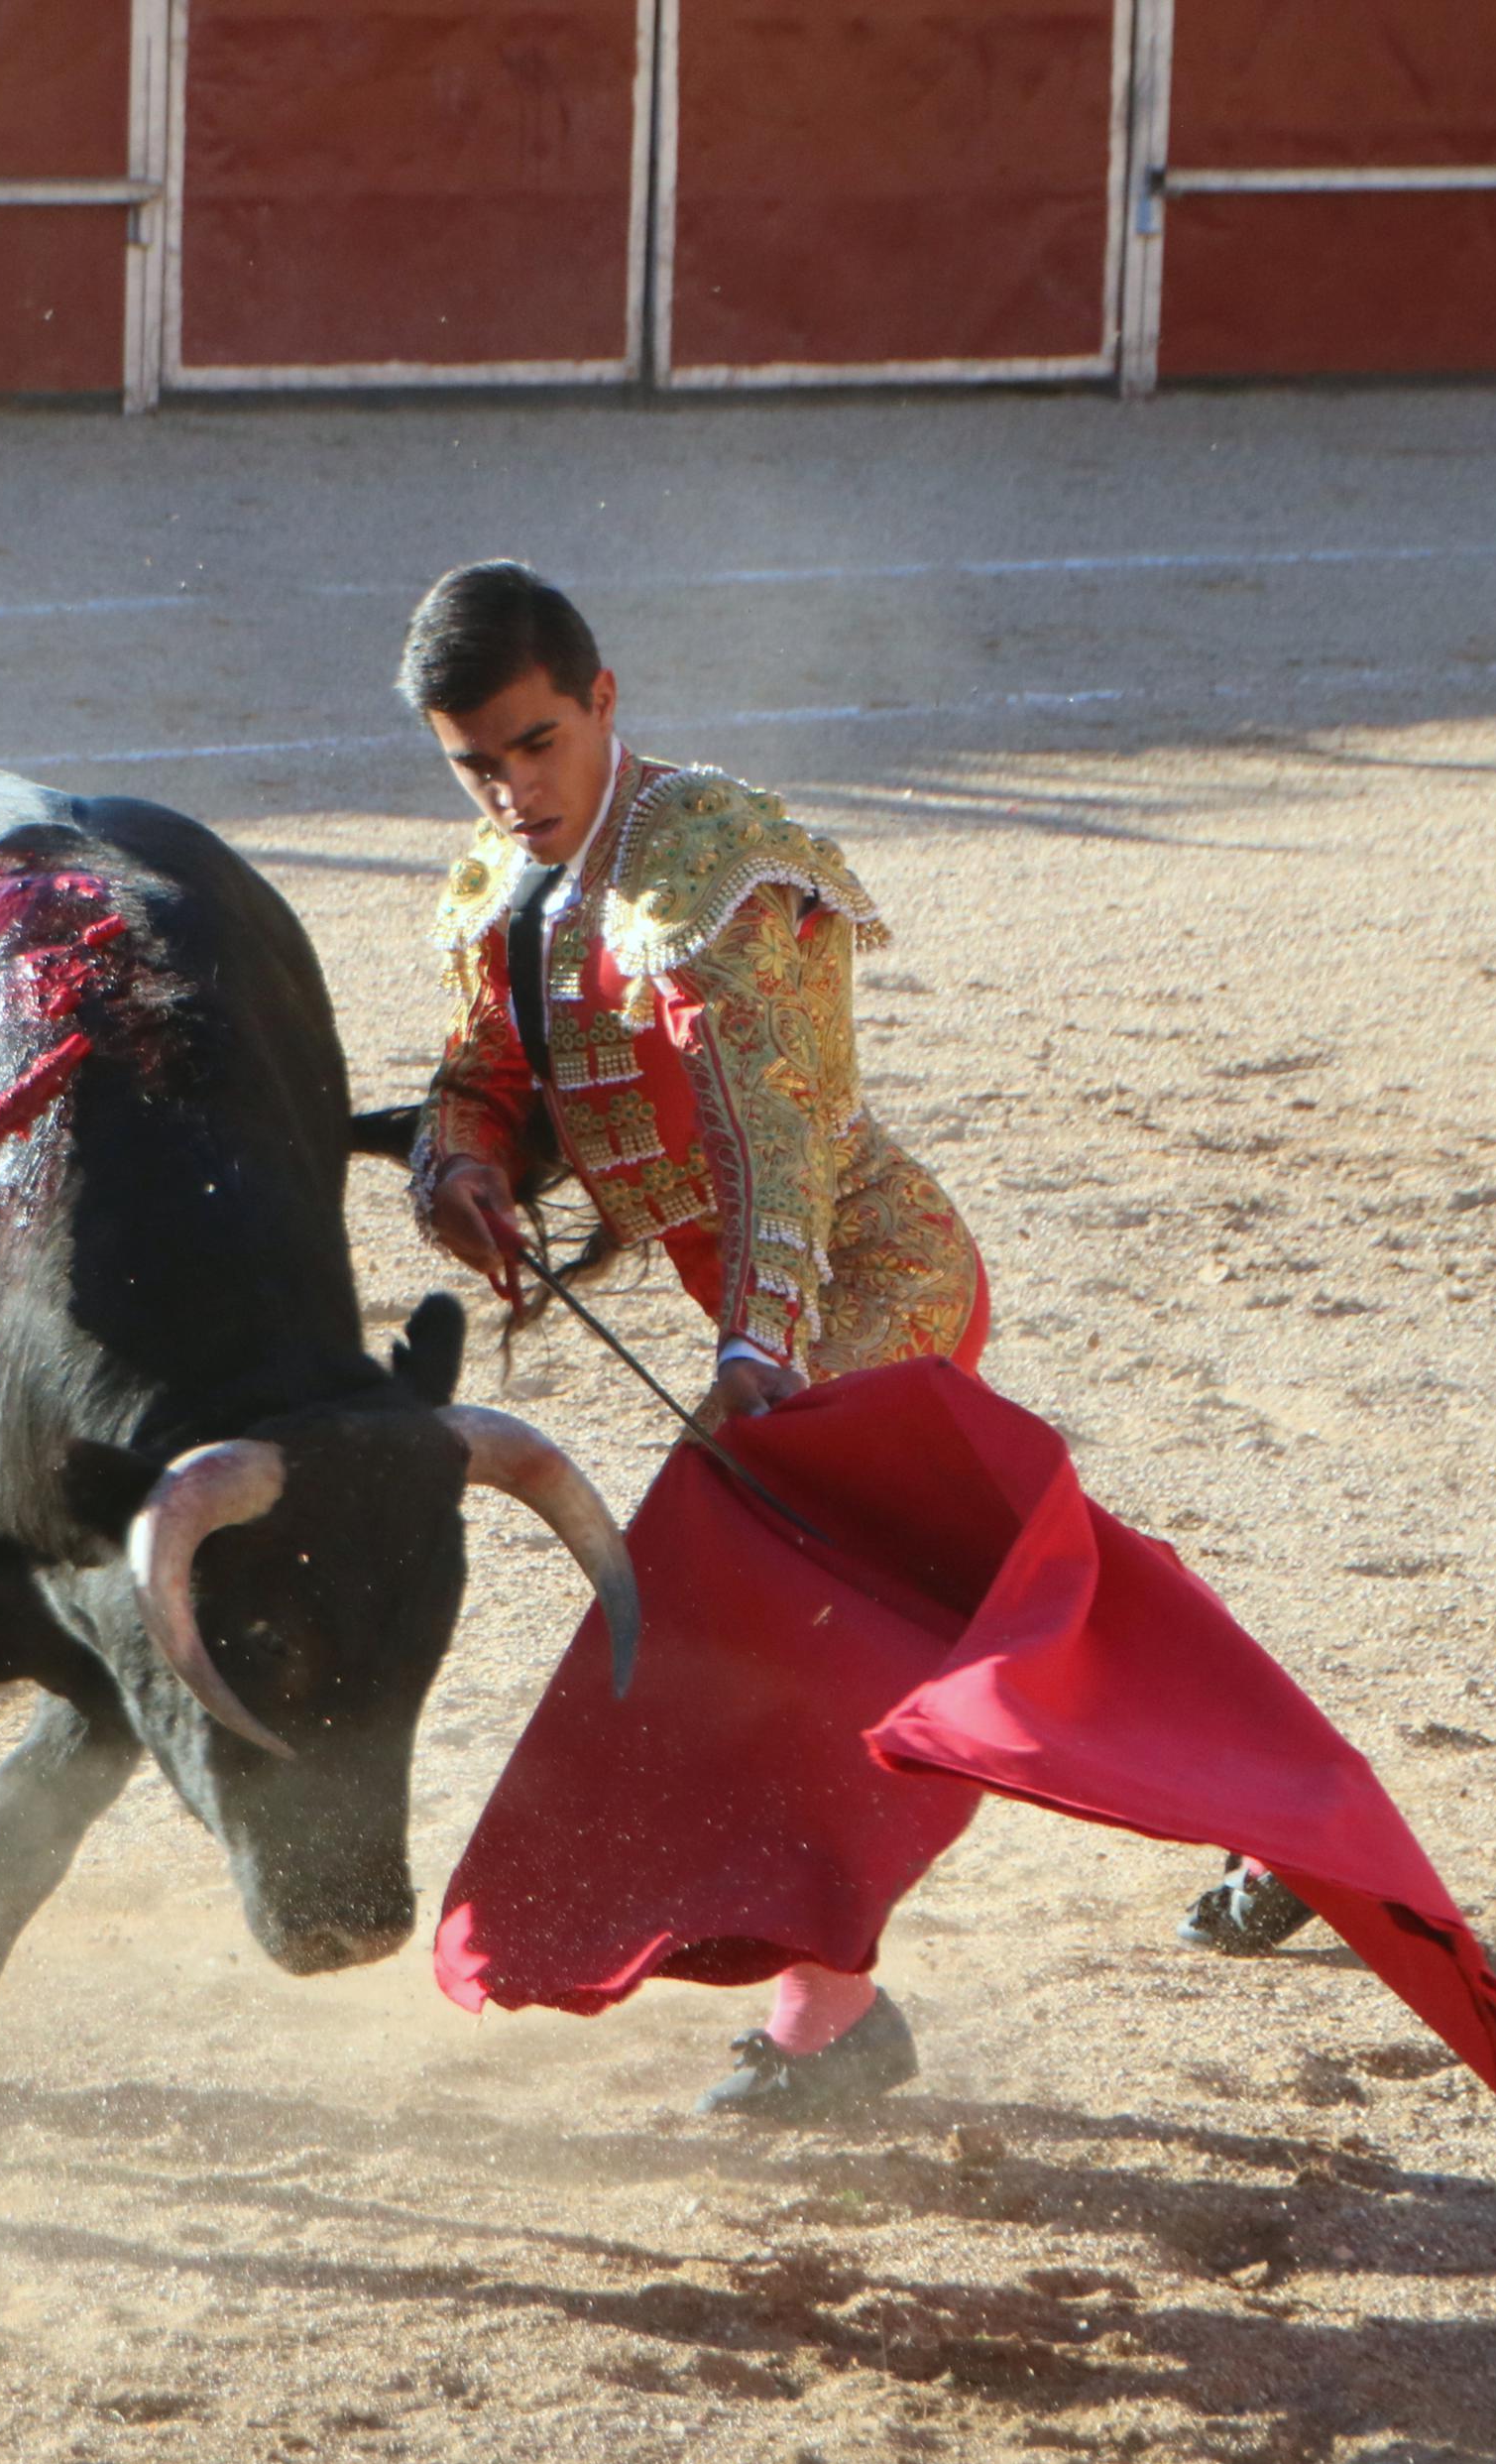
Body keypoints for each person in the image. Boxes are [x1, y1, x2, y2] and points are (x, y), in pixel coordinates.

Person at [393, 559, 994, 2115]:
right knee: (981, 1596)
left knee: (767, 1622)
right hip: (756, 1323)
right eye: (477, 764)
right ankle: (1257, 1810)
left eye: (536, 744)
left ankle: (834, 2009)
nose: (515, 790)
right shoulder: (499, 886)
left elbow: (774, 1145)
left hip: (867, 1279)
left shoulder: (716, 865)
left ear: (602, 700)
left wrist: (763, 1355)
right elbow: (489, 1066)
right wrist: (459, 1158)